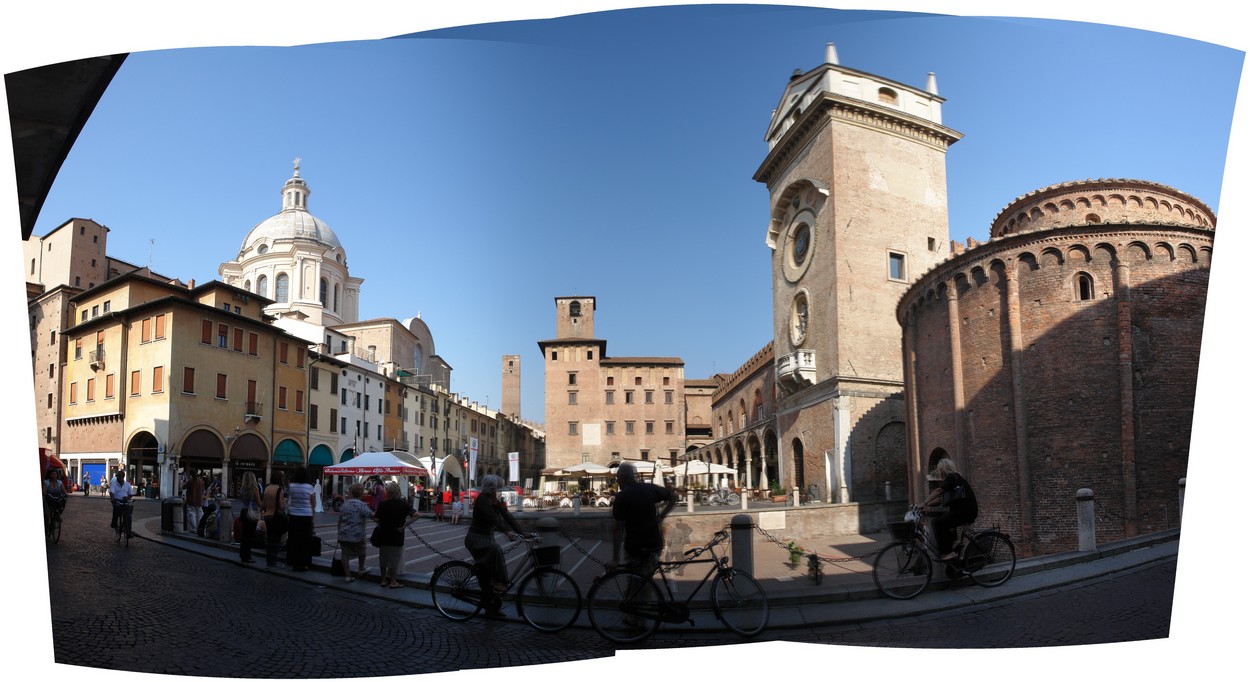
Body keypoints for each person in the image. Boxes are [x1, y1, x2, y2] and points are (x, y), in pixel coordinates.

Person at [463, 475, 525, 618]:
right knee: (495, 549)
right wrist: (507, 532)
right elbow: (493, 518)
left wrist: (522, 532)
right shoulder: (482, 500)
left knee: (485, 575)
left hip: (485, 538)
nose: (499, 490)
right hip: (476, 538)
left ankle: (490, 606)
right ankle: (499, 583)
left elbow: (506, 515)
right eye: (497, 488)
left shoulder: (493, 499)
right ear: (491, 488)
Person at [607, 461, 676, 576]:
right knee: (646, 580)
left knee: (637, 584)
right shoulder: (649, 488)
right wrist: (661, 516)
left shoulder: (622, 496)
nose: (617, 481)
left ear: (622, 478)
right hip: (655, 544)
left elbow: (618, 530)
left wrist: (615, 559)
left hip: (635, 546)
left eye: (617, 478)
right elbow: (673, 497)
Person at [923, 458, 979, 561]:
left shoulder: (952, 477)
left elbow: (939, 491)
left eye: (940, 470)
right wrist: (926, 505)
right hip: (963, 511)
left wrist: (925, 502)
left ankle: (948, 552)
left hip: (965, 512)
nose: (939, 473)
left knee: (937, 523)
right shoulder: (953, 481)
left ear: (944, 469)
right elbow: (940, 500)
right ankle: (953, 547)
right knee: (944, 522)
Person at [372, 481, 418, 588]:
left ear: (388, 492)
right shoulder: (403, 504)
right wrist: (405, 525)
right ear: (398, 491)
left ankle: (383, 580)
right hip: (397, 534)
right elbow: (417, 515)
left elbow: (376, 518)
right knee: (395, 559)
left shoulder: (383, 504)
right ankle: (393, 581)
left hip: (383, 534)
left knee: (383, 558)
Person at [336, 483, 372, 582]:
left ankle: (348, 575)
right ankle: (361, 569)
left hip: (344, 533)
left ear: (351, 492)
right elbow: (372, 515)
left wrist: (338, 532)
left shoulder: (345, 504)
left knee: (345, 554)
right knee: (362, 552)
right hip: (357, 535)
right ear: (361, 494)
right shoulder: (361, 505)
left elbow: (340, 520)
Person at [285, 467, 316, 572]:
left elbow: (290, 500)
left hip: (293, 515)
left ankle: (294, 562)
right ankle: (304, 563)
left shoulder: (291, 486)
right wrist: (313, 516)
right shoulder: (309, 487)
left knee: (294, 540)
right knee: (305, 541)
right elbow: (313, 504)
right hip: (306, 516)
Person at [261, 472, 288, 568]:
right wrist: (284, 501)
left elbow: (263, 504)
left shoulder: (267, 488)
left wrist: (261, 512)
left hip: (267, 516)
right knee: (276, 542)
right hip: (275, 517)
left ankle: (269, 562)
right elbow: (281, 507)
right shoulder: (279, 490)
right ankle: (273, 563)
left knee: (269, 540)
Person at [237, 471, 262, 564]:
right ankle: (248, 556)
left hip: (243, 511)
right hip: (251, 512)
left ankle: (243, 555)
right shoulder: (255, 489)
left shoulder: (242, 489)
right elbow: (259, 503)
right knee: (250, 535)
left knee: (244, 535)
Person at [109, 470, 136, 538]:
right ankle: (114, 523)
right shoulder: (114, 484)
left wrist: (127, 498)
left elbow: (131, 493)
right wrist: (112, 499)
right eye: (117, 476)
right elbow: (112, 492)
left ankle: (128, 532)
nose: (118, 478)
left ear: (123, 477)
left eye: (119, 476)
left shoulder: (127, 484)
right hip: (117, 500)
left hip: (125, 501)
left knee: (128, 516)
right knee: (116, 511)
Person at [44, 469, 68, 534]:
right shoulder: (46, 482)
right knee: (47, 514)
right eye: (52, 474)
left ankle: (57, 516)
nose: (54, 476)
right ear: (49, 475)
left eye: (55, 474)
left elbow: (63, 490)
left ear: (57, 475)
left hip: (58, 498)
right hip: (49, 499)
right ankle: (46, 530)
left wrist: (65, 493)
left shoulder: (59, 482)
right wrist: (45, 493)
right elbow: (44, 490)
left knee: (62, 503)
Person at [183, 469, 204, 534]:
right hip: (199, 501)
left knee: (192, 514)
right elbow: (203, 490)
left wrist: (184, 483)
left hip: (191, 500)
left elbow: (183, 487)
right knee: (200, 514)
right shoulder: (201, 482)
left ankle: (194, 528)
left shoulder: (190, 481)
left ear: (191, 474)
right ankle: (200, 527)